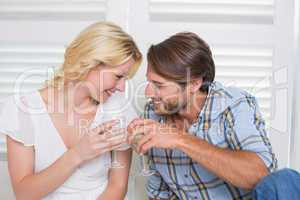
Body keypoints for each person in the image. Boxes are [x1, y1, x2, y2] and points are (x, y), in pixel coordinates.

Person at [0, 21, 142, 200]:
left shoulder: (117, 107)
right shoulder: (23, 111)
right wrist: (78, 154)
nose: (121, 87)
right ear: (91, 63)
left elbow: (118, 186)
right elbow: (24, 194)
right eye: (118, 76)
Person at [127, 32, 277, 200]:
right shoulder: (153, 114)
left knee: (287, 179)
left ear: (194, 83)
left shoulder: (233, 105)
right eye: (149, 82)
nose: (148, 92)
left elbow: (260, 175)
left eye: (159, 85)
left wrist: (180, 139)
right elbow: (160, 193)